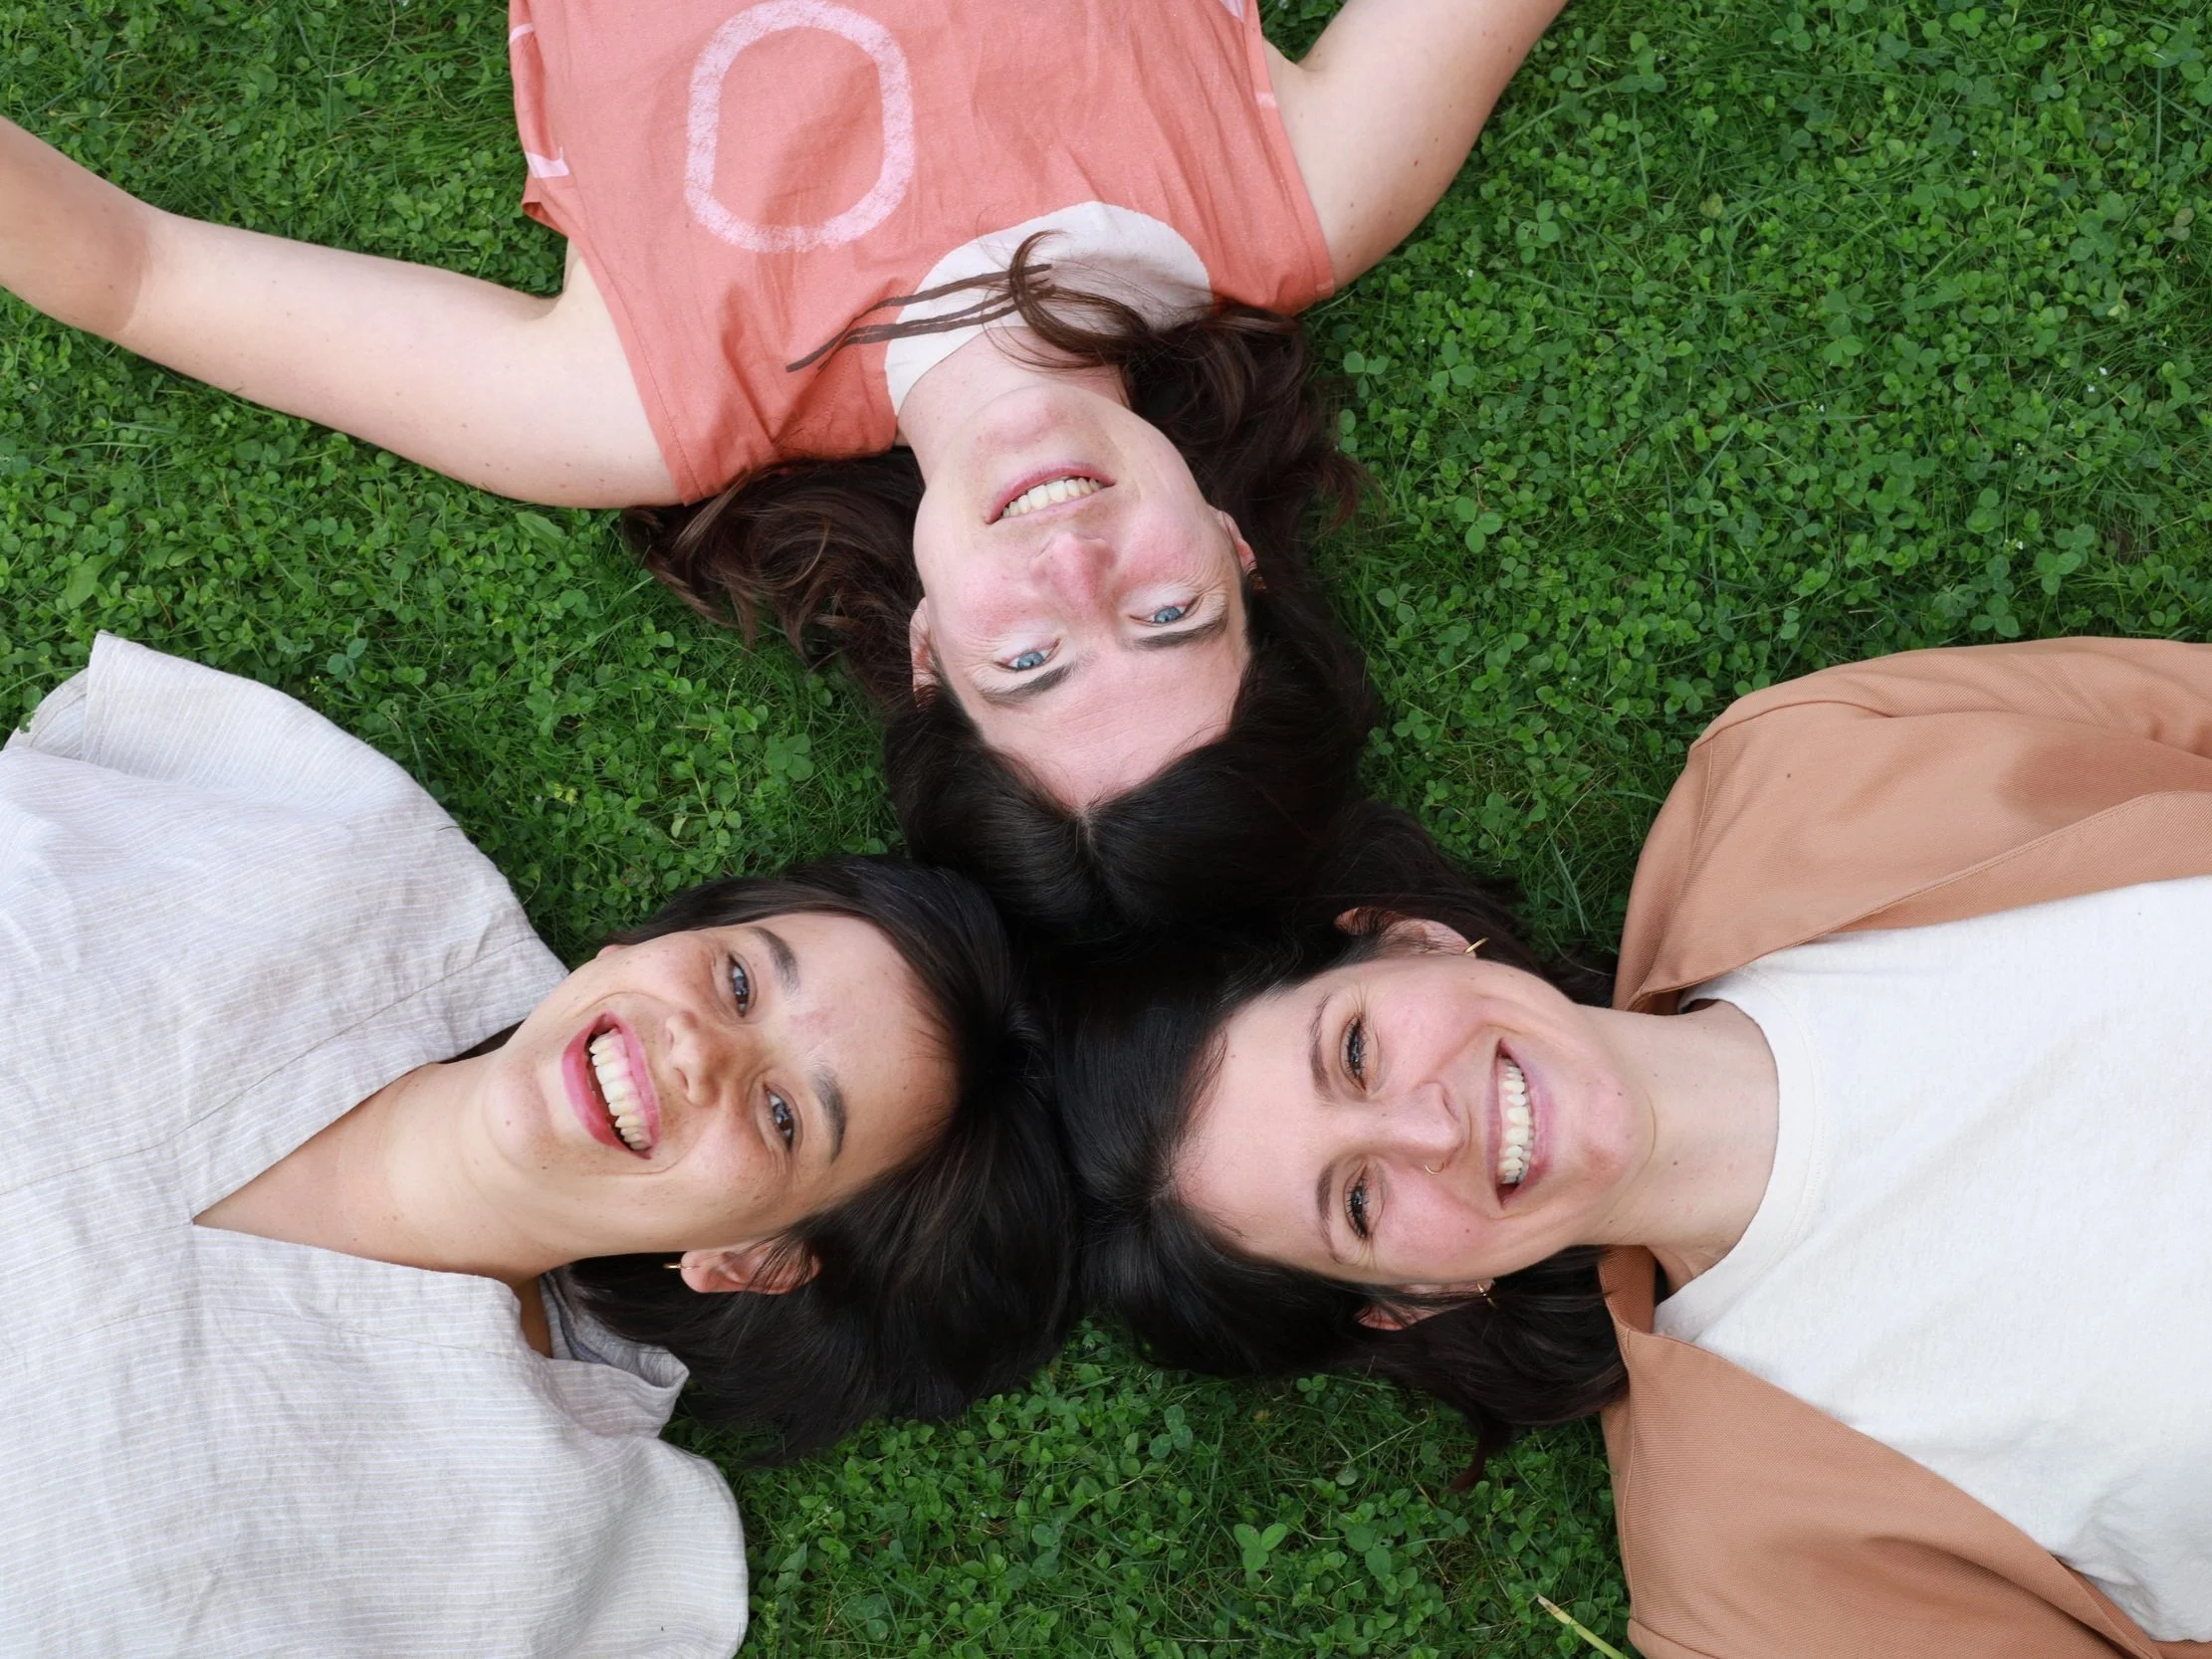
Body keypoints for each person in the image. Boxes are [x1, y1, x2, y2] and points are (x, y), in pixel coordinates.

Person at [0, 0, 1564, 932]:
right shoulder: (1294, 192)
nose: (1076, 570)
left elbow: (142, 275)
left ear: (934, 650)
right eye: (1160, 619)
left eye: (1031, 658)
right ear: (1228, 548)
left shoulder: (636, 405)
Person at [1059, 637, 2212, 1658]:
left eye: (1352, 1051)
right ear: (1412, 1297)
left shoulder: (1789, 769)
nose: (1425, 1125)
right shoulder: (1750, 1586)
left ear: (1404, 940)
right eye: (1356, 1201)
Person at [1, 634, 1072, 1657]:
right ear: (648, 943)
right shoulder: (326, 855)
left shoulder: (512, 1527)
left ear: (753, 1259)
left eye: (784, 1114)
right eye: (740, 979)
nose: (698, 1049)